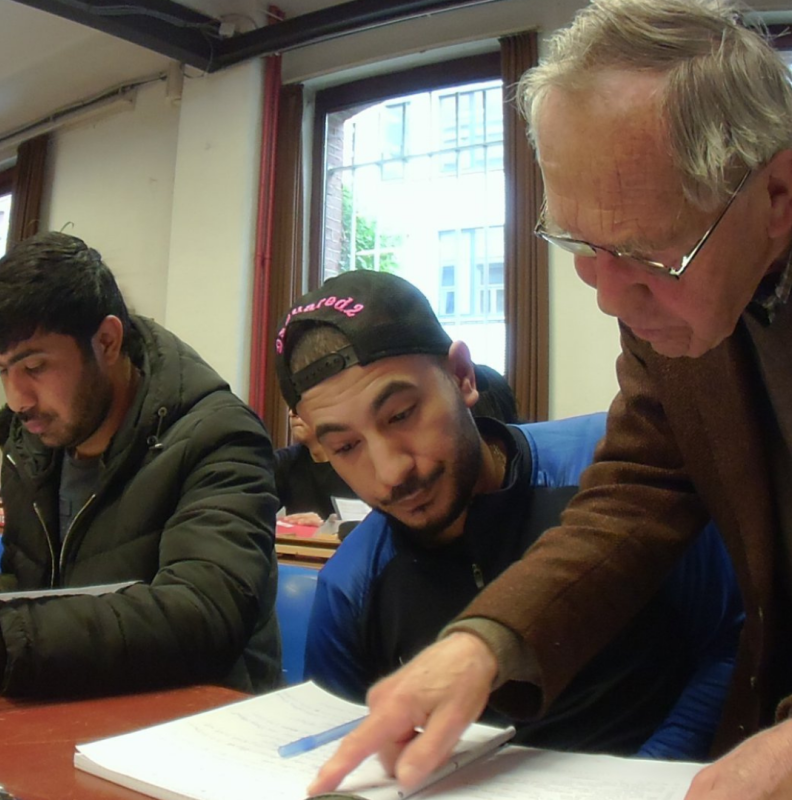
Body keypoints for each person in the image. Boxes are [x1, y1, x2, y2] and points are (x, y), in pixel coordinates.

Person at [309, 3, 792, 798]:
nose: (608, 297)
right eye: (579, 244)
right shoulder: (671, 299)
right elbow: (643, 485)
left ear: (776, 194)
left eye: (643, 254)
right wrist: (486, 642)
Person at [277, 269, 742, 761]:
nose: (391, 472)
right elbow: (338, 745)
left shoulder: (626, 475)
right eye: (347, 446)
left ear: (462, 376)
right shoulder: (350, 585)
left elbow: (735, 639)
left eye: (401, 415)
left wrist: (651, 777)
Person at [0, 232, 281, 697]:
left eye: (35, 367)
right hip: (70, 703)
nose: (17, 399)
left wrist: (4, 643)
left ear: (107, 341)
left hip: (198, 718)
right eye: (3, 370)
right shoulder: (29, 443)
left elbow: (203, 615)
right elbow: (30, 587)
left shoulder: (218, 436)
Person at [274, 409, 357, 527]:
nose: (292, 413)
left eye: (300, 405)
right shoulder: (285, 461)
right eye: (291, 407)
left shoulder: (360, 462)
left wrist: (325, 526)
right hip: (299, 539)